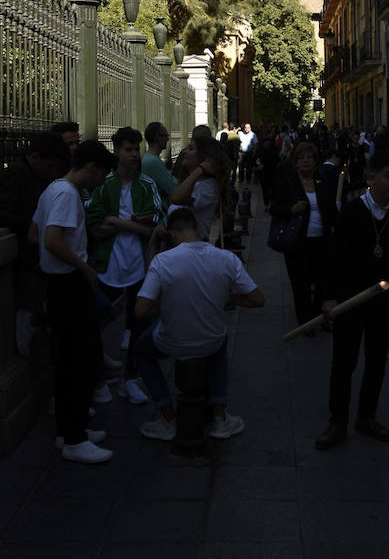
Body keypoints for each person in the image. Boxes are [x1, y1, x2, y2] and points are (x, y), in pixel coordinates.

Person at [315, 151, 389, 450]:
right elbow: (333, 257)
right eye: (388, 176)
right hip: (350, 298)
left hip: (383, 299)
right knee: (344, 361)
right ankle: (337, 421)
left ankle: (366, 416)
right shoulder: (352, 212)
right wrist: (329, 297)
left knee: (377, 359)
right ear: (371, 178)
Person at [134, 208, 265, 441]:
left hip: (171, 342)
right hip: (211, 341)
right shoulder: (226, 258)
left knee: (141, 353)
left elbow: (140, 310)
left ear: (173, 235)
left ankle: (168, 418)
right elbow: (257, 300)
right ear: (197, 229)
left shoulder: (162, 261)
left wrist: (164, 304)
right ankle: (219, 416)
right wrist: (229, 297)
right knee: (220, 339)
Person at [29, 140, 115, 464]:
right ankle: (75, 438)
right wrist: (84, 267)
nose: (100, 182)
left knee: (68, 360)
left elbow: (33, 236)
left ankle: (70, 430)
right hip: (69, 284)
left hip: (57, 283)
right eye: (101, 174)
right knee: (84, 360)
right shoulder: (67, 194)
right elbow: (51, 241)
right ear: (92, 167)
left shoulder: (52, 189)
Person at [86, 126, 163, 404]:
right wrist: (130, 224)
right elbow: (94, 228)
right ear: (116, 151)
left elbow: (155, 228)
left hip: (140, 263)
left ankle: (129, 378)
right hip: (108, 263)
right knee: (95, 317)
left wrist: (115, 222)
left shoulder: (147, 185)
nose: (133, 155)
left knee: (138, 322)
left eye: (136, 149)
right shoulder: (104, 185)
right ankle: (98, 377)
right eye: (128, 149)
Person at [0, 132, 71, 355]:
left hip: (34, 260)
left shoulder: (39, 177)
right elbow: (4, 213)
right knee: (28, 321)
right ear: (36, 157)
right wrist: (36, 223)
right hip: (24, 262)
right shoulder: (18, 175)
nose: (53, 173)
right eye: (50, 167)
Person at [270, 141, 338, 329]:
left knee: (321, 280)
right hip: (297, 241)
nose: (306, 161)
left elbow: (332, 209)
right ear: (296, 162)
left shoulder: (323, 182)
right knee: (301, 283)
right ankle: (306, 322)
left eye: (309, 157)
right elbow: (275, 208)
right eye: (302, 158)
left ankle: (319, 317)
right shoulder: (288, 184)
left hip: (321, 240)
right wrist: (291, 209)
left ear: (316, 161)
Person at [170, 136, 231, 241]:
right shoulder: (194, 183)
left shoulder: (207, 187)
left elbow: (177, 199)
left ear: (204, 157)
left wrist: (201, 169)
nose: (185, 152)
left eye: (191, 149)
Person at [141, 122, 177, 213]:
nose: (168, 138)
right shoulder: (153, 161)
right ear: (157, 138)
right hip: (158, 211)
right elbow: (173, 189)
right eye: (165, 135)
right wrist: (173, 178)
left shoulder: (148, 158)